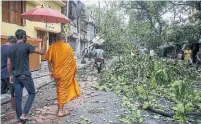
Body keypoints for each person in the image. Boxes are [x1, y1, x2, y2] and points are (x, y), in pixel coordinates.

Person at [7, 29, 48, 123]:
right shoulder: (27, 46)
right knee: (32, 93)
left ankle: (19, 118)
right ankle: (24, 114)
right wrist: (45, 40)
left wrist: (10, 75)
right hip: (25, 75)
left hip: (15, 76)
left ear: (16, 37)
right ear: (24, 37)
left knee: (18, 98)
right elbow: (42, 52)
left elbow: (9, 63)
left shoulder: (11, 48)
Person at [46, 32, 80, 117]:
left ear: (56, 39)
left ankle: (59, 108)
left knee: (59, 89)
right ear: (64, 39)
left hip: (56, 73)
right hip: (65, 74)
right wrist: (74, 71)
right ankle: (60, 111)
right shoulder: (68, 47)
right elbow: (72, 62)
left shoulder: (52, 47)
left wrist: (50, 72)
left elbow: (49, 62)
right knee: (63, 90)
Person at [1, 36, 17, 110]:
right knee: (13, 93)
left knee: (2, 91)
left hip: (2, 73)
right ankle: (14, 109)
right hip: (8, 74)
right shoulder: (10, 50)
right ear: (12, 42)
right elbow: (11, 63)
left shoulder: (1, 47)